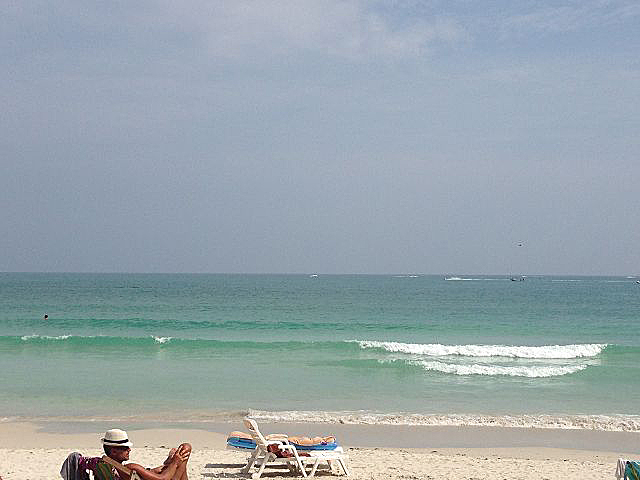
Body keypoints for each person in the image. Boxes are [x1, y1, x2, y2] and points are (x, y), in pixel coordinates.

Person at [81, 428, 191, 480]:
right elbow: (163, 479)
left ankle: (169, 463)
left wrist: (168, 465)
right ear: (114, 451)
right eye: (125, 448)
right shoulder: (131, 467)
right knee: (186, 447)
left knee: (176, 463)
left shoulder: (105, 467)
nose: (129, 450)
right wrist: (175, 463)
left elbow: (148, 473)